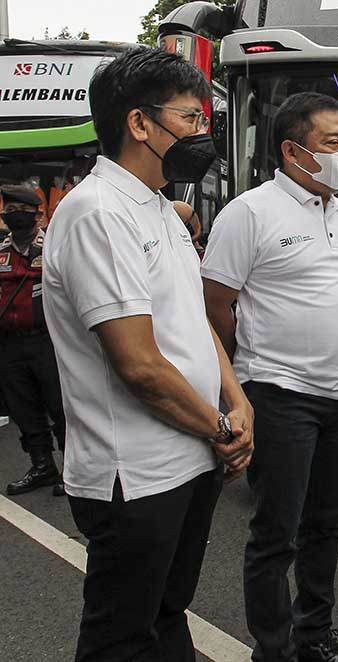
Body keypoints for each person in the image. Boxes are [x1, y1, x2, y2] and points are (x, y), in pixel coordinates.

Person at [42, 48, 254, 662]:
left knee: (165, 614)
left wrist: (237, 401)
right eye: (191, 118)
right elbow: (137, 365)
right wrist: (218, 426)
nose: (201, 134)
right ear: (140, 123)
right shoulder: (97, 213)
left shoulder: (160, 208)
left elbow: (193, 322)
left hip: (188, 460)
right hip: (132, 476)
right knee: (122, 637)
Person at [201, 91, 338, 662]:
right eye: (333, 142)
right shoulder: (249, 212)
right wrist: (233, 387)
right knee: (277, 533)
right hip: (278, 394)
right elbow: (215, 303)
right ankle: (272, 649)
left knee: (326, 526)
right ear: (293, 149)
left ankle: (314, 637)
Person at [0, 185, 67, 497]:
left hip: (47, 341)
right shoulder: (1, 250)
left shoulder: (54, 246)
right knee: (23, 408)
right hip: (10, 343)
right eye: (9, 209)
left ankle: (74, 469)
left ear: (38, 213)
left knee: (61, 407)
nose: (14, 215)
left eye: (21, 210)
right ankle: (42, 465)